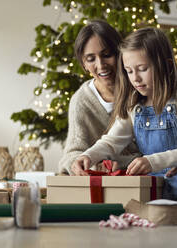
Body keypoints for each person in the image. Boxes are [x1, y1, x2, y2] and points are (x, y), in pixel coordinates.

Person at [72, 27, 177, 212]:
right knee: (122, 180)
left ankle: (158, 201)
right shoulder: (133, 103)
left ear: (166, 66)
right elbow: (111, 142)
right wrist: (88, 155)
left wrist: (153, 161)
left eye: (142, 69)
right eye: (129, 71)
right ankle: (170, 202)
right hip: (150, 179)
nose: (135, 79)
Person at [58, 20, 140, 175]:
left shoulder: (140, 87)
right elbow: (71, 155)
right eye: (91, 59)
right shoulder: (81, 101)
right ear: (83, 64)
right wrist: (90, 165)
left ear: (119, 54)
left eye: (107, 55)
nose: (101, 65)